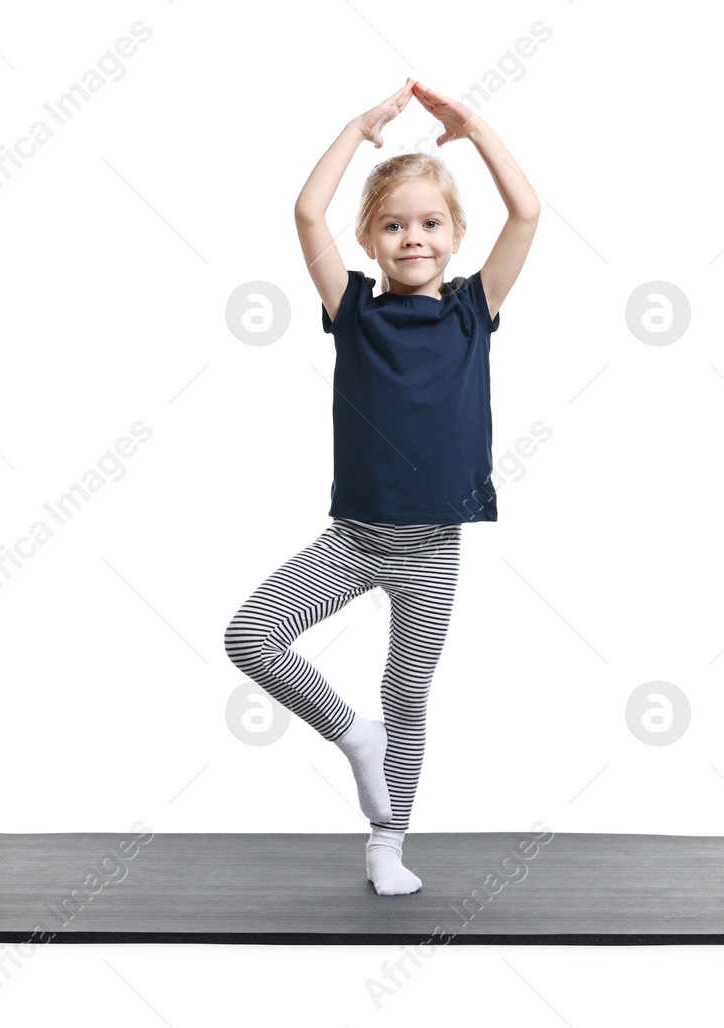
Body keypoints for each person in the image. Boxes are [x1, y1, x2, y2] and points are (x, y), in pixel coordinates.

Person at [224, 78, 538, 895]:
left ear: (456, 235)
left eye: (430, 224)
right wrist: (353, 130)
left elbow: (529, 212)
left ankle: (386, 844)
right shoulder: (352, 309)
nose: (412, 238)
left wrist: (475, 129)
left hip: (433, 547)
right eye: (393, 225)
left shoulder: (475, 309)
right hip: (355, 539)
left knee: (408, 694)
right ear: (367, 239)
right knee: (251, 637)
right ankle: (348, 734)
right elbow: (304, 213)